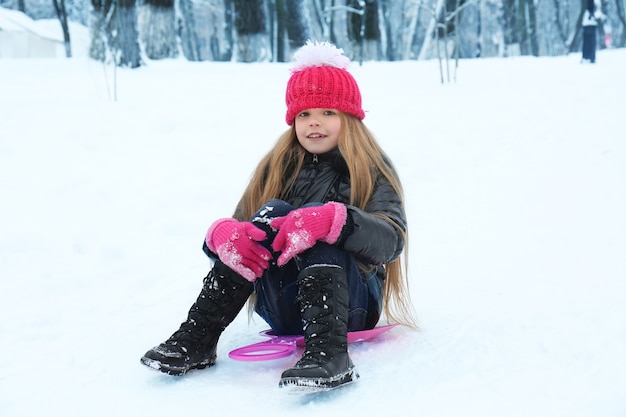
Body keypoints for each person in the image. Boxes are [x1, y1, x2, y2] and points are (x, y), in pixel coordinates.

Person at [140, 40, 416, 391]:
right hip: (283, 305)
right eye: (304, 114)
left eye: (328, 112)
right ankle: (198, 338)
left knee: (318, 227)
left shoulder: (371, 168)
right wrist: (221, 235)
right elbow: (241, 232)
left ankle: (329, 355)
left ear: (350, 117)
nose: (314, 123)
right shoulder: (278, 166)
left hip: (350, 307)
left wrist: (337, 222)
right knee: (273, 214)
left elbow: (392, 240)